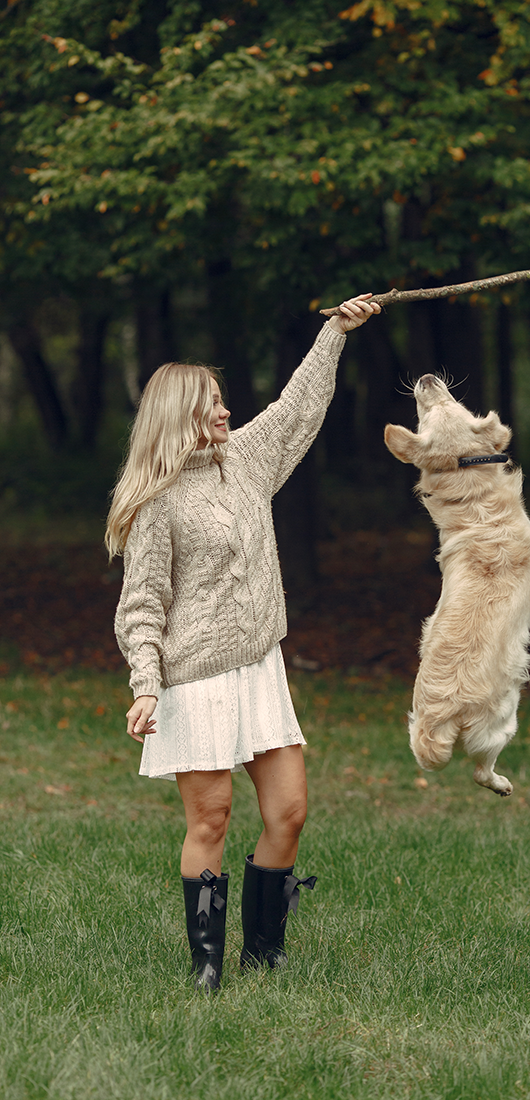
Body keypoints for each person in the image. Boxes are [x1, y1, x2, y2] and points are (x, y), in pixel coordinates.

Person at [106, 294, 381, 991]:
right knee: (212, 818)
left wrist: (333, 334)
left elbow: (294, 411)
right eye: (211, 406)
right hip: (193, 677)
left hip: (260, 666)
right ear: (178, 418)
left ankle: (265, 952)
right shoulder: (157, 502)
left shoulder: (246, 461)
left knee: (288, 811)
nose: (226, 413)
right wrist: (145, 684)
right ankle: (207, 968)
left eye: (224, 401)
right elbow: (141, 605)